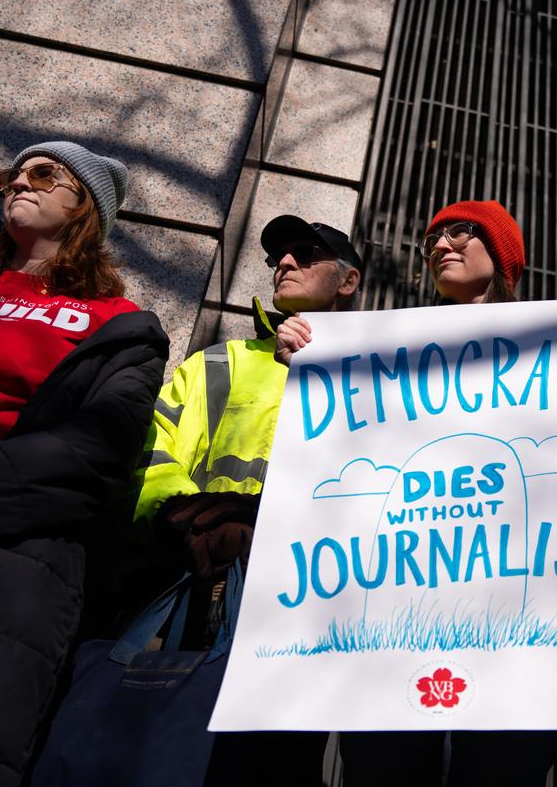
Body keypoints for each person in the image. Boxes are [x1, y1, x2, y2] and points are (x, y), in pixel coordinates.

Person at [0, 141, 168, 786]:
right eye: (12, 175)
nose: (20, 183)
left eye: (44, 174)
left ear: (87, 210)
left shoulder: (123, 327)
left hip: (9, 561)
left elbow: (96, 453)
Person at [297, 200, 555, 786]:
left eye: (461, 233)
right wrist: (306, 355)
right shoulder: (389, 353)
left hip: (514, 613)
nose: (440, 246)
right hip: (400, 607)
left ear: (503, 253)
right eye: (432, 239)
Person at [132, 214, 363, 785]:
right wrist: (181, 518)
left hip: (313, 603)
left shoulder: (377, 377)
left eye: (304, 253)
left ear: (348, 282)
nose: (283, 262)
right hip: (197, 585)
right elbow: (155, 447)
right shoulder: (218, 362)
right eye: (277, 255)